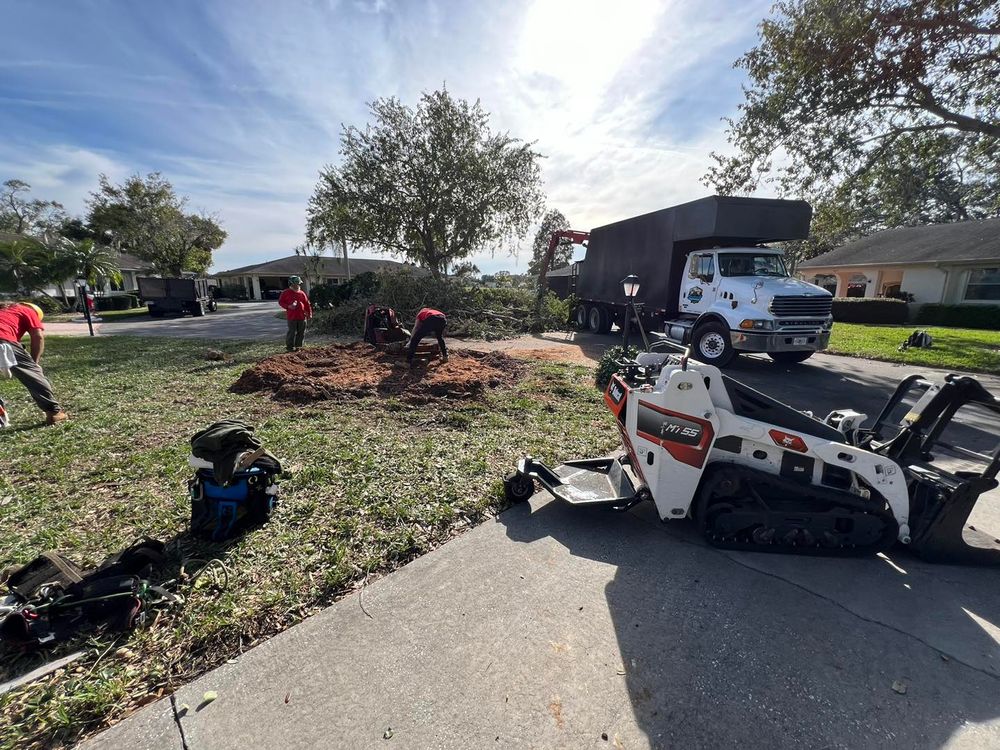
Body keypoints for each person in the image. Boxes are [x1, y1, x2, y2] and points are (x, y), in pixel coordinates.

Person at [0, 301, 67, 425]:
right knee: (33, 375)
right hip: (3, 341)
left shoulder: (5, 312)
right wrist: (34, 364)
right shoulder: (27, 310)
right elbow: (38, 336)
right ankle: (53, 412)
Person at [278, 276, 313, 352]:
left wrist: (309, 313)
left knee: (301, 332)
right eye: (296, 284)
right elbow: (281, 302)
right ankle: (290, 347)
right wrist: (288, 306)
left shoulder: (302, 293)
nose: (298, 285)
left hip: (302, 316)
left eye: (299, 284)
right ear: (291, 284)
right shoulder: (286, 292)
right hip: (292, 317)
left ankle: (299, 347)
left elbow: (307, 304)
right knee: (292, 332)